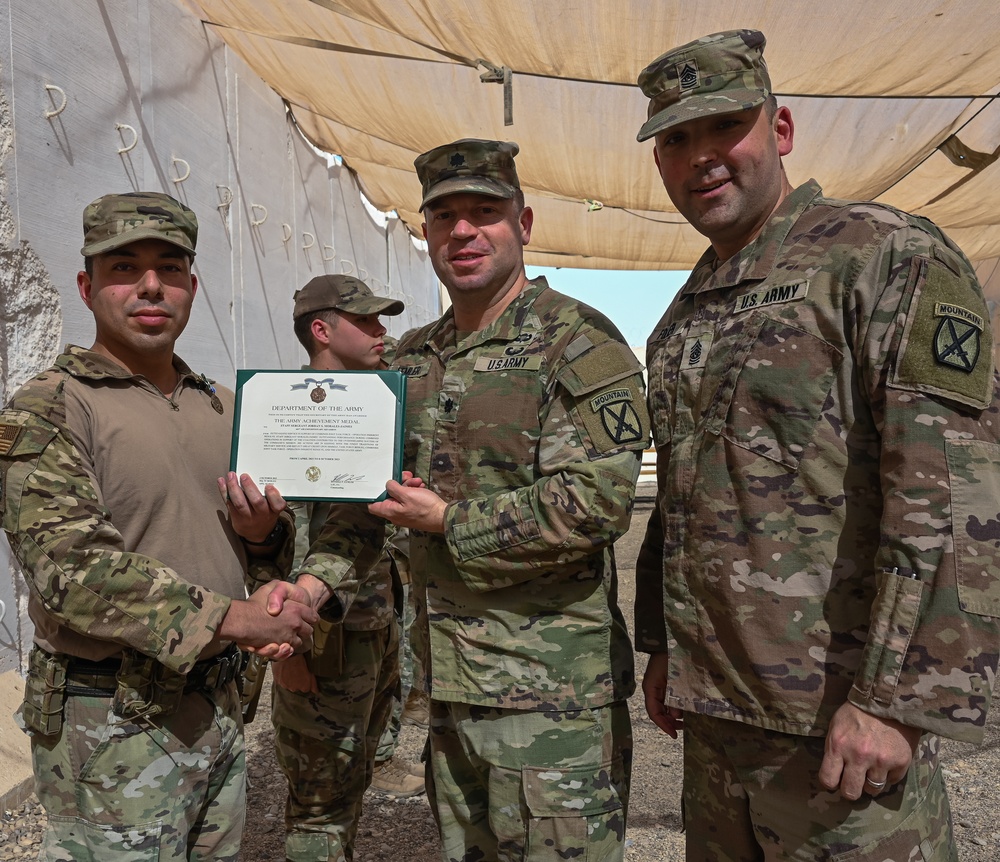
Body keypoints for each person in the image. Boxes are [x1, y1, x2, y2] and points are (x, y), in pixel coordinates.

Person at [634, 30, 1000, 860]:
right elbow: (682, 503)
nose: (701, 157)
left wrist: (898, 702)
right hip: (718, 730)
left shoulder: (882, 257)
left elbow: (959, 488)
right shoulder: (685, 315)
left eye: (724, 126)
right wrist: (662, 645)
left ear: (781, 128)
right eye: (676, 138)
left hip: (842, 740)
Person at [285, 138, 650, 861]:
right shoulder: (411, 361)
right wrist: (307, 586)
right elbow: (362, 509)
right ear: (426, 233)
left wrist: (450, 521)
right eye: (444, 216)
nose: (462, 231)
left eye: (485, 212)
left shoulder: (575, 342)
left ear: (525, 223)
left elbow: (597, 500)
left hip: (551, 699)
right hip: (450, 691)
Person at [0, 191, 317, 862]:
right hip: (111, 721)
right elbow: (73, 574)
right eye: (124, 267)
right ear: (87, 287)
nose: (150, 285)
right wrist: (240, 618)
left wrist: (264, 545)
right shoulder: (53, 407)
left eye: (170, 268)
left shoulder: (224, 409)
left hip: (218, 707)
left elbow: (256, 547)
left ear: (192, 287)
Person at [274, 274, 422, 862]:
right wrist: (292, 650)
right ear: (322, 329)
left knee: (356, 777)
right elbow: (276, 542)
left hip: (377, 625)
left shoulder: (377, 407)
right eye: (366, 321)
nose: (381, 332)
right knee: (318, 805)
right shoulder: (284, 415)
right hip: (323, 638)